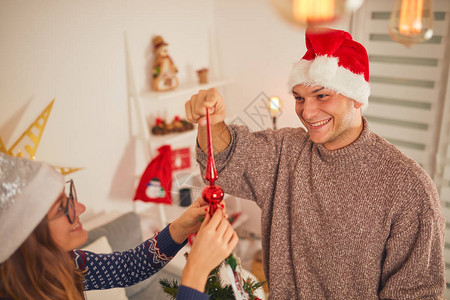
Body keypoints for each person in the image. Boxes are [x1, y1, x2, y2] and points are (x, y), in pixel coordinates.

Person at [185, 27, 446, 299]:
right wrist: (211, 122)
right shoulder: (286, 151)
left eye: (322, 95)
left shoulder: (410, 189)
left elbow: (416, 294)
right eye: (299, 98)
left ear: (356, 97)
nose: (306, 112)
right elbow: (226, 159)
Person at [0, 152, 238, 300]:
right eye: (63, 208)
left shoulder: (64, 263)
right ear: (28, 236)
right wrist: (196, 270)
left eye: (69, 196)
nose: (80, 208)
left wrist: (180, 228)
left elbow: (127, 268)